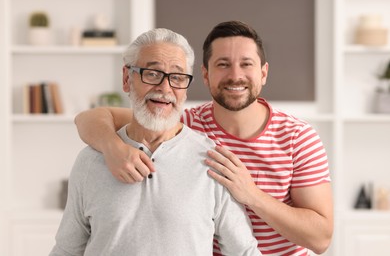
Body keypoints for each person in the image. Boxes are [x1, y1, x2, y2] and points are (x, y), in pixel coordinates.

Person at [74, 21, 334, 255]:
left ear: (263, 73)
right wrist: (113, 148)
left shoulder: (297, 137)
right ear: (205, 74)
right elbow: (91, 118)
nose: (235, 75)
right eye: (223, 64)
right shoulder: (183, 125)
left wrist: (251, 194)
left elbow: (321, 239)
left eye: (246, 64)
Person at [50, 28, 261, 256]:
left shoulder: (214, 162)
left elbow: (244, 252)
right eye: (152, 73)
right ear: (126, 79)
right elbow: (66, 250)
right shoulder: (91, 161)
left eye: (178, 77)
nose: (165, 87)